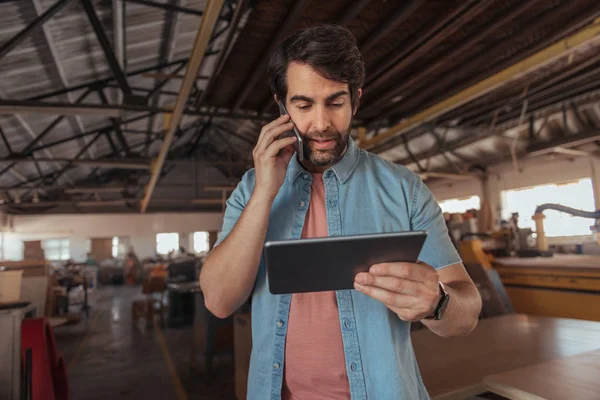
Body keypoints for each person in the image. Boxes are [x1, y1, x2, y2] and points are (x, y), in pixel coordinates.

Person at [199, 24, 482, 399]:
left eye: (335, 102)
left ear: (356, 99)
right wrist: (267, 190)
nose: (321, 124)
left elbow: (467, 312)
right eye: (303, 105)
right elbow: (219, 302)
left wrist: (438, 302)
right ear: (281, 106)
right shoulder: (252, 189)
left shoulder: (404, 190)